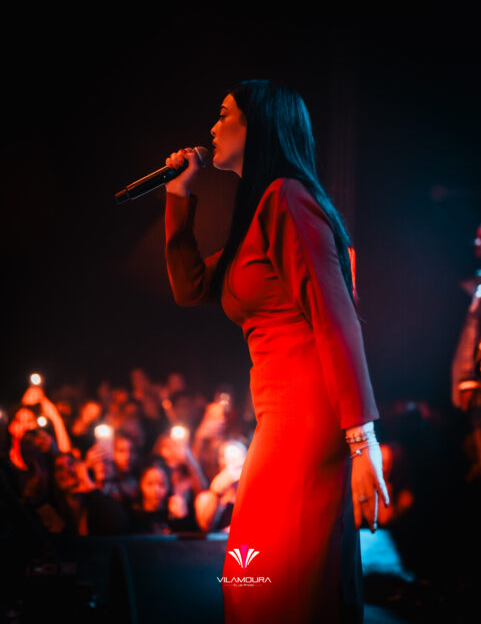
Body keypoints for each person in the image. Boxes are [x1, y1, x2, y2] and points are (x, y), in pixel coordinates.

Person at [162, 80, 389, 624]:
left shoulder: (288, 198)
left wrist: (363, 441)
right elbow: (189, 286)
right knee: (253, 583)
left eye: (224, 115)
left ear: (258, 125)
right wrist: (178, 197)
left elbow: (336, 319)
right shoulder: (260, 213)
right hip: (277, 420)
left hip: (308, 421)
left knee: (272, 587)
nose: (212, 128)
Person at [451, 219, 481, 482]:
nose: (477, 243)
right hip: (476, 382)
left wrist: (468, 377)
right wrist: (466, 378)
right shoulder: (478, 283)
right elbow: (470, 334)